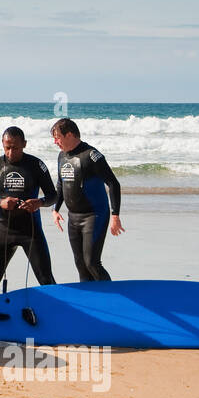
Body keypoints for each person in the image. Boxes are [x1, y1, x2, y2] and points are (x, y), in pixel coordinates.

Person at [0, 127, 57, 296]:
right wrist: (1, 202)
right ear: (2, 144)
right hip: (4, 230)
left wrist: (39, 202)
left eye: (15, 147)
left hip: (31, 231)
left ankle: (62, 314)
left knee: (46, 279)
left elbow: (53, 195)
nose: (10, 152)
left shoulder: (36, 165)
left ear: (24, 144)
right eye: (7, 147)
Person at [50, 118, 123, 281]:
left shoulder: (91, 155)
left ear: (69, 135)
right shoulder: (61, 156)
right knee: (81, 264)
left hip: (94, 215)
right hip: (73, 217)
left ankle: (111, 298)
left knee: (92, 262)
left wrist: (115, 215)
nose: (55, 142)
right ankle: (91, 302)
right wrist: (55, 209)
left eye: (57, 138)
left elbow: (113, 183)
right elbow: (61, 184)